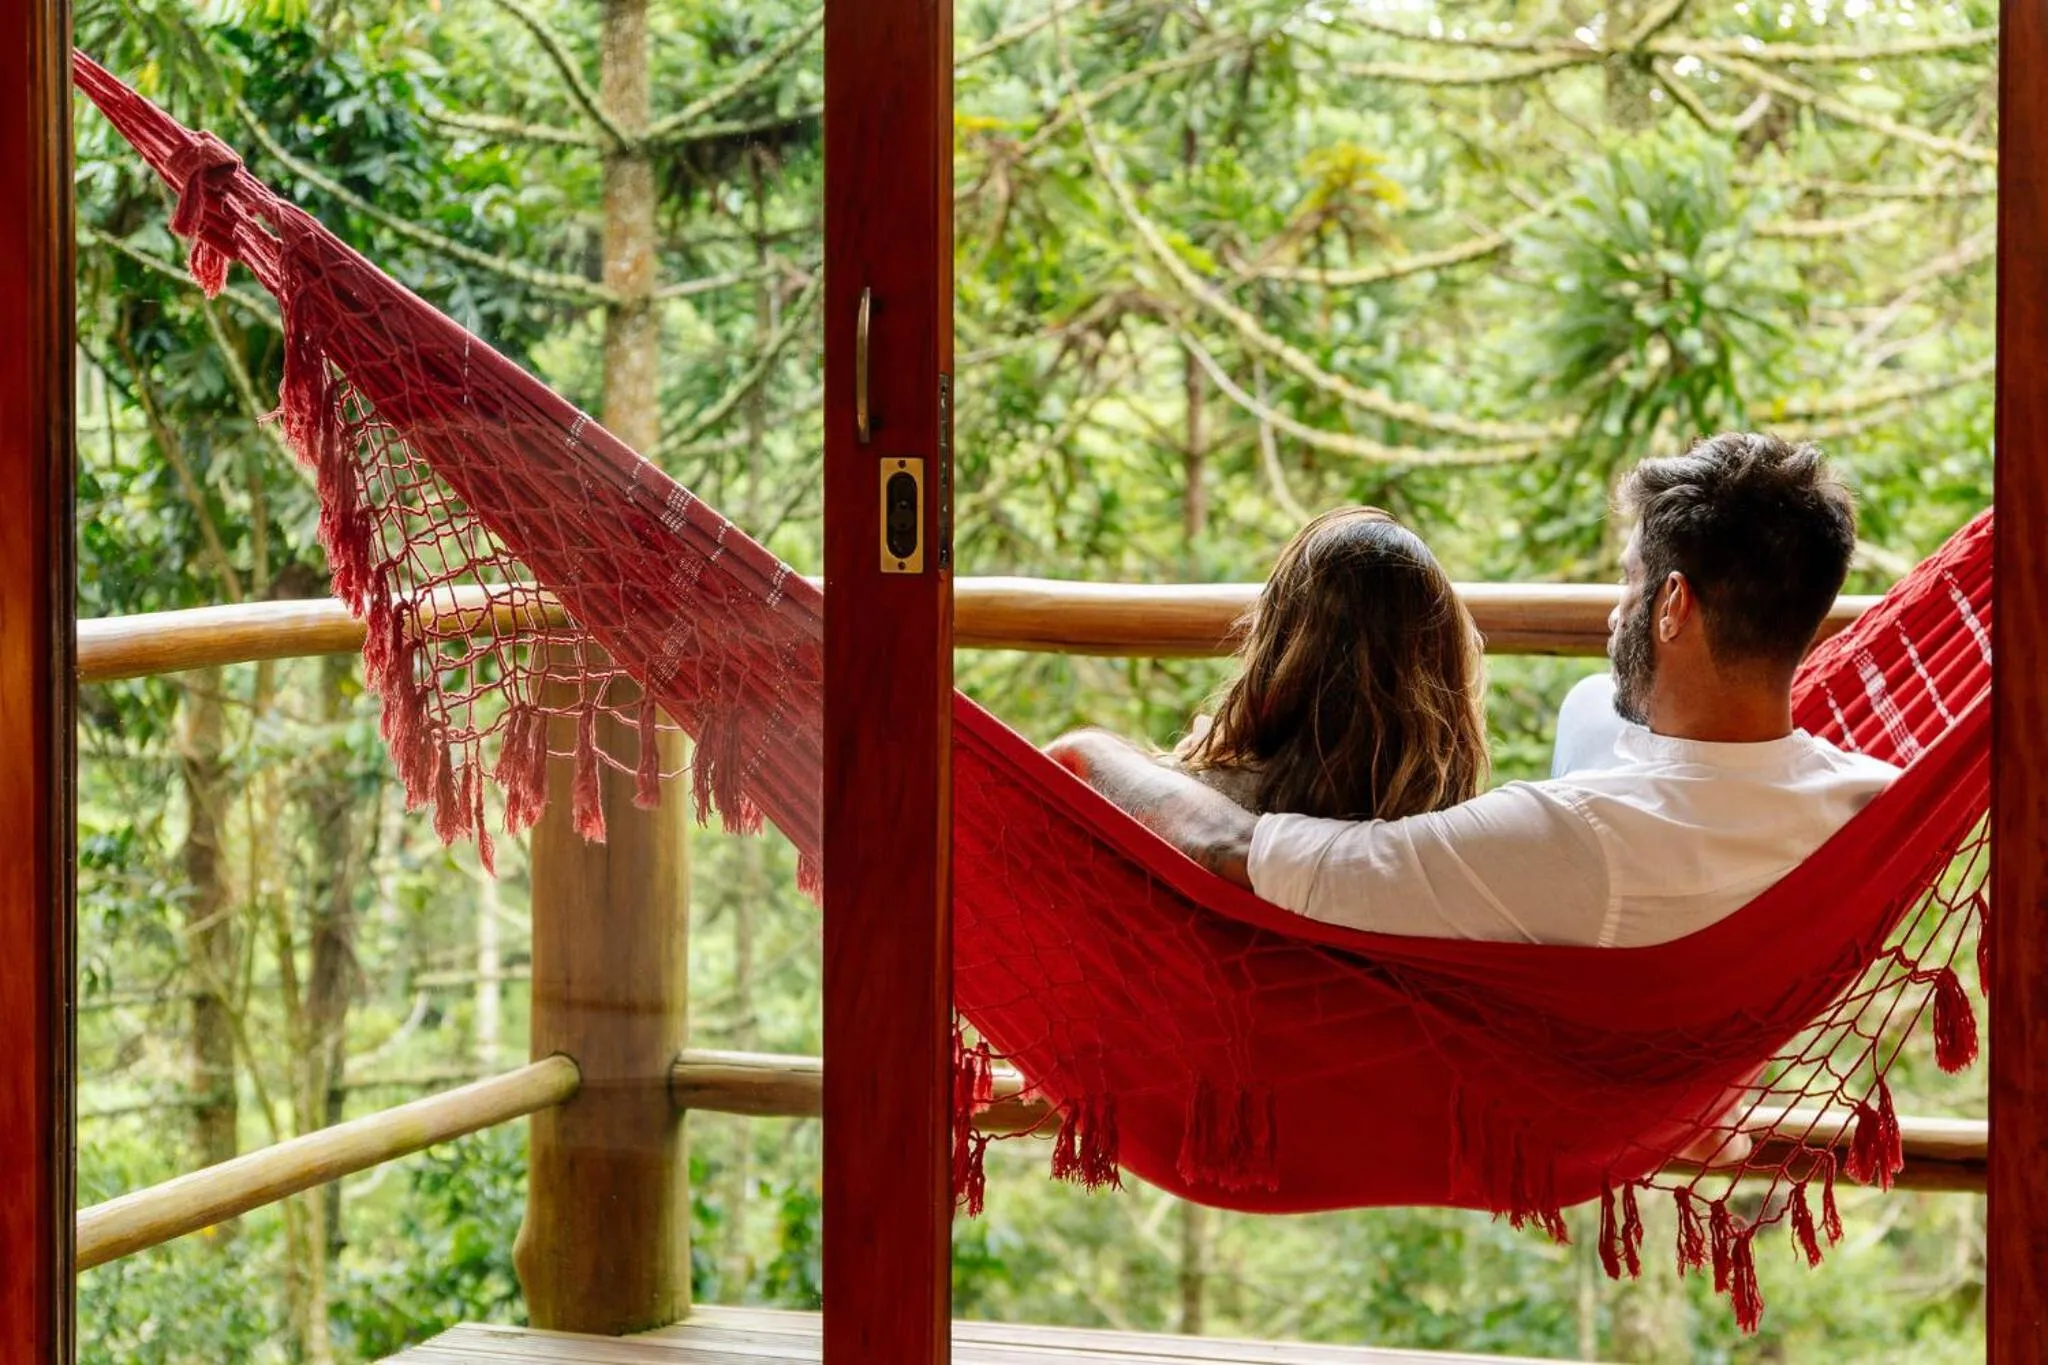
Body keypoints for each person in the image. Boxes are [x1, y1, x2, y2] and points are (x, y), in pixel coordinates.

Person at [1048, 431, 1899, 949]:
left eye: (1629, 583)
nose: (1613, 614)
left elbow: (1238, 853)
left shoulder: (1563, 841)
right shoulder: (1874, 805)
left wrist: (1090, 753)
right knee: (1587, 705)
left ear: (1674, 606)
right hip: (1701, 1022)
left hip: (1600, 943)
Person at [1165, 505, 1490, 823]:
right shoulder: (1447, 834)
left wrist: (1190, 769)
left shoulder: (1201, 807)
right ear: (1444, 672)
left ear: (1280, 648)